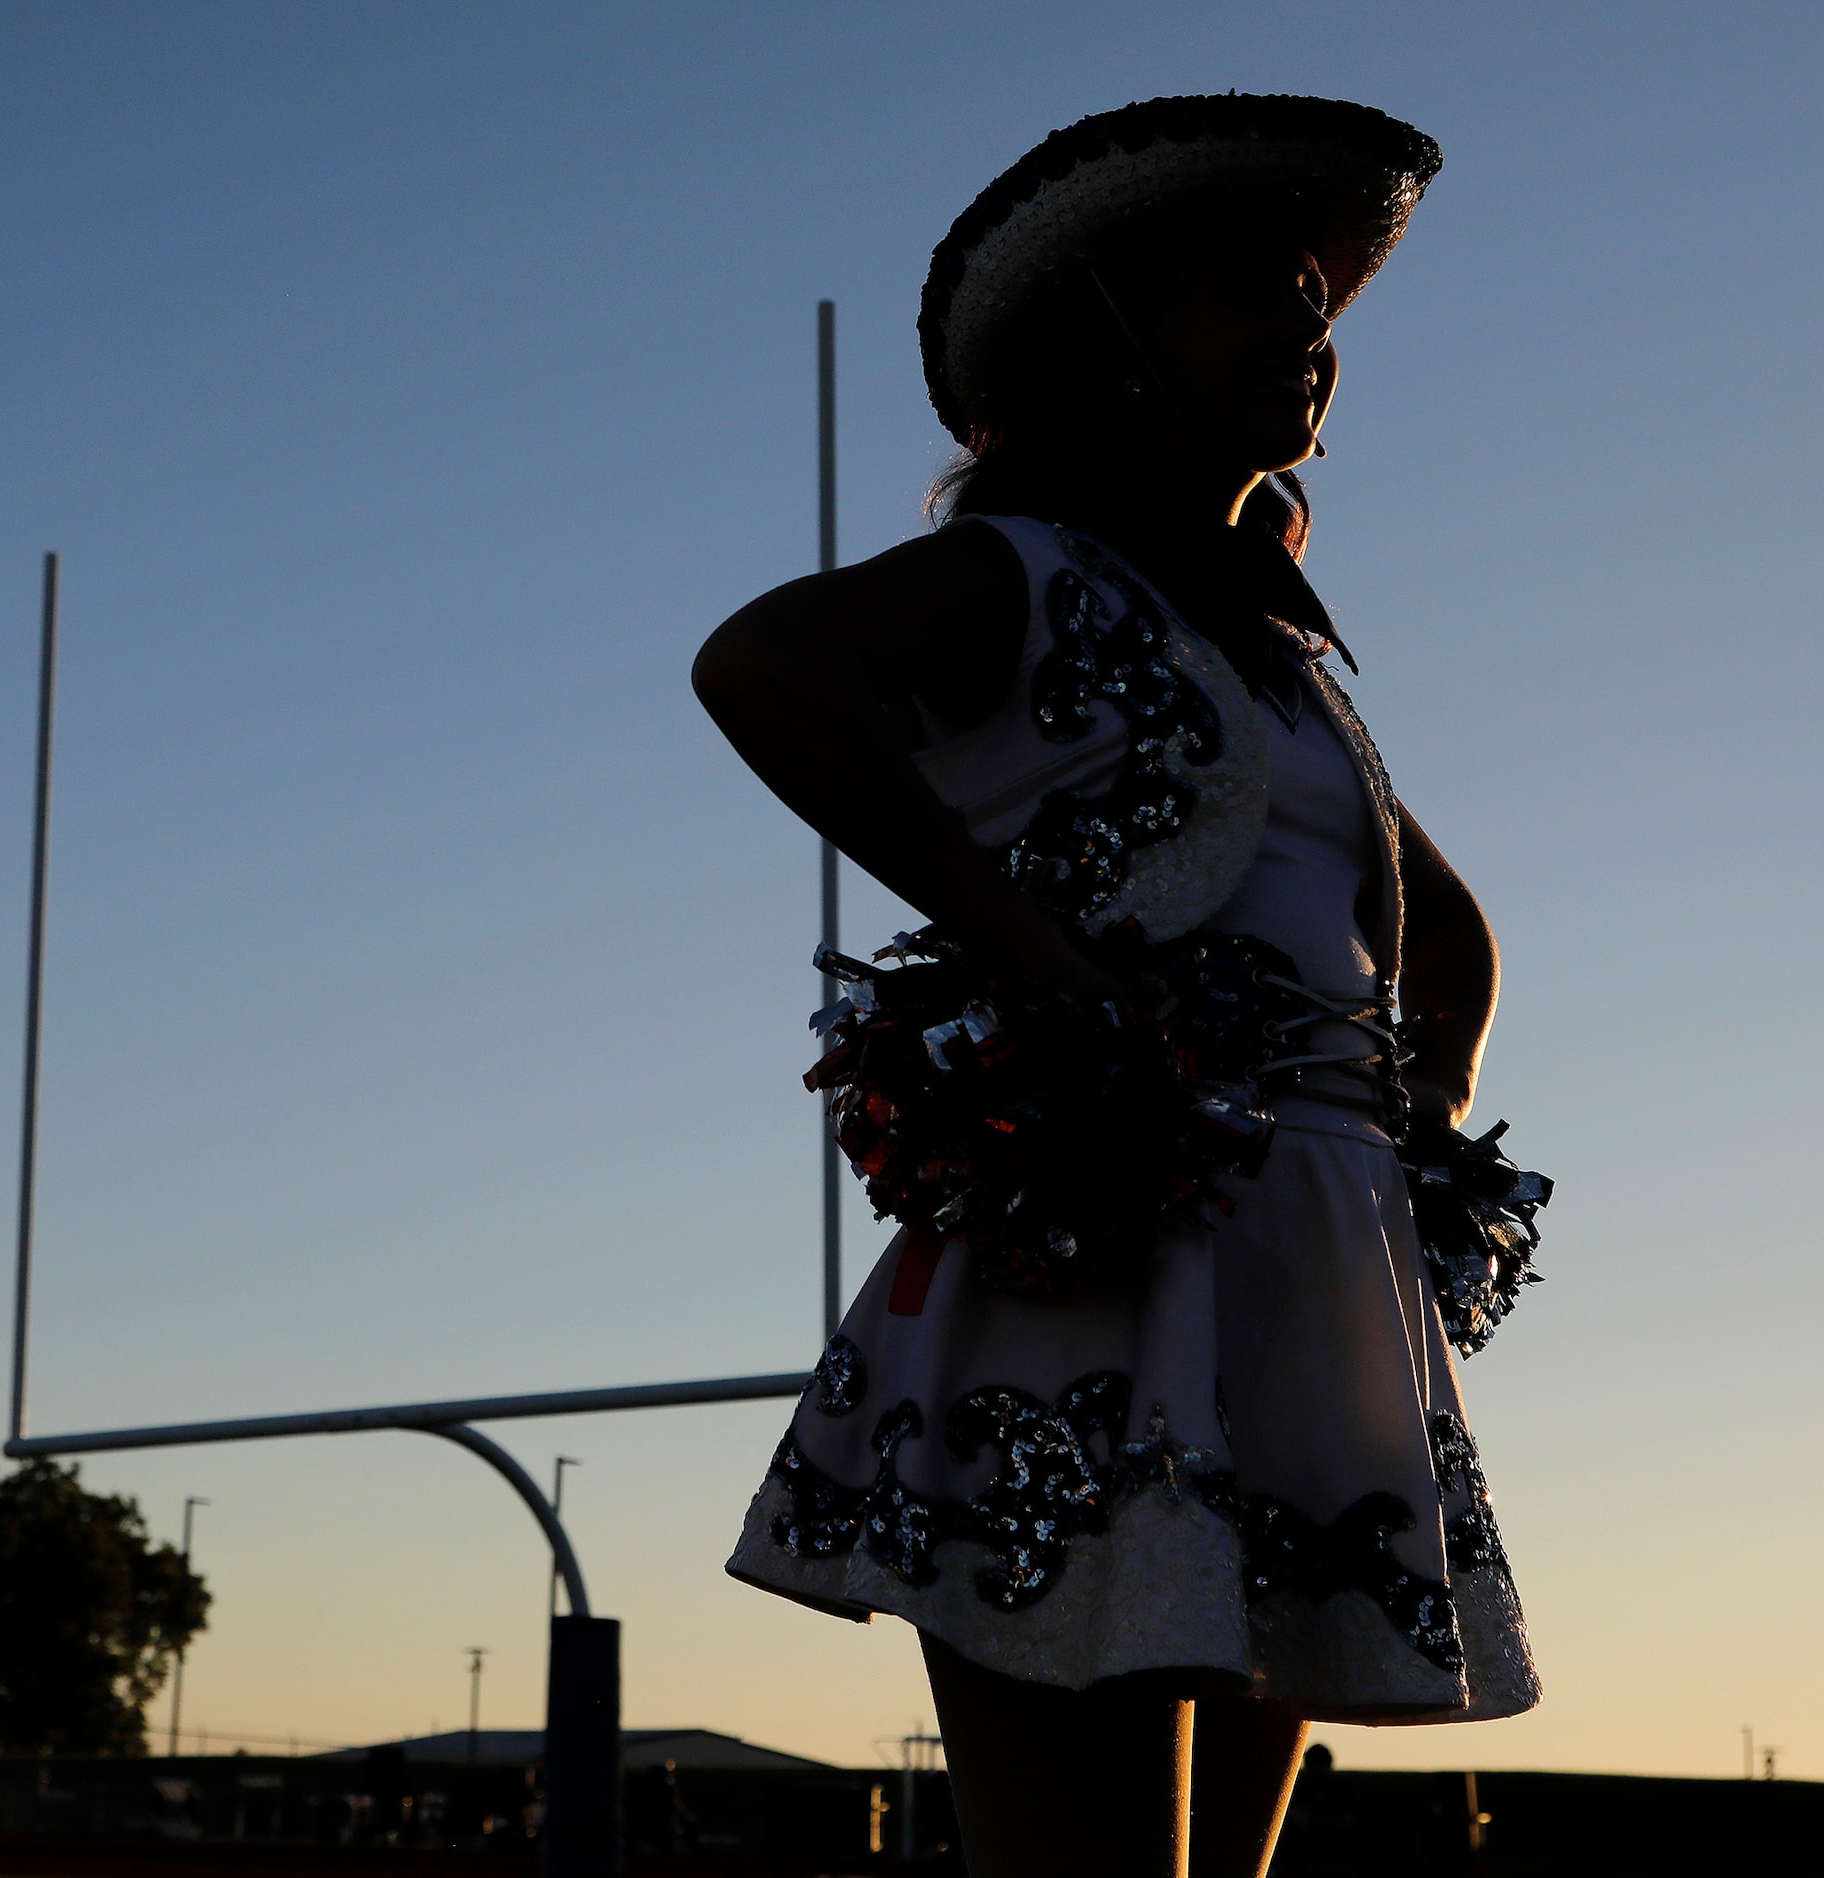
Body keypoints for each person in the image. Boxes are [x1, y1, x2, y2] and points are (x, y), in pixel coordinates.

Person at [695, 97, 1540, 1878]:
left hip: (1310, 1276)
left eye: (1322, 307)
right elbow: (767, 664)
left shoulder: (1294, 665)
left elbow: (1444, 930)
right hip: (1101, 1254)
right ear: (1117, 336)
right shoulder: (1023, 570)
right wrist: (1033, 961)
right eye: (1259, 290)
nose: (1310, 338)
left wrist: (1424, 1133)